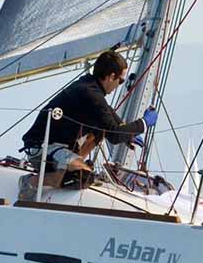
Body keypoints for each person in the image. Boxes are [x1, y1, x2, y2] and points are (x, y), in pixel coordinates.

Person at [17, 50, 156, 201]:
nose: (119, 85)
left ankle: (75, 164)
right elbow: (114, 135)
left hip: (60, 147)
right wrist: (143, 123)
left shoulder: (90, 87)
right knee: (81, 177)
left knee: (99, 131)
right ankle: (31, 182)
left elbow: (111, 118)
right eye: (121, 81)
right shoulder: (90, 94)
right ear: (111, 77)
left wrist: (129, 135)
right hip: (42, 148)